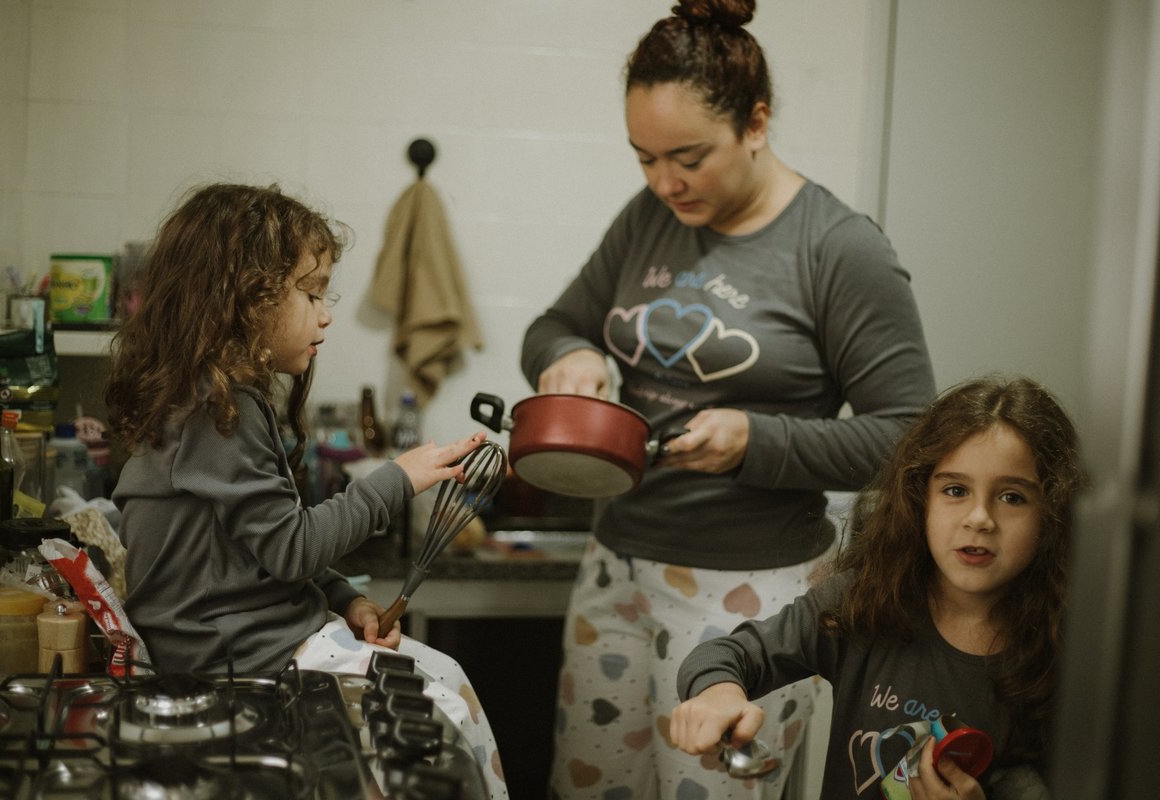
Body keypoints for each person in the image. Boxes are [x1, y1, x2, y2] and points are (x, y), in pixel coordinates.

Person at [519, 1, 935, 796]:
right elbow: (556, 324)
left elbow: (912, 436)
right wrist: (568, 355)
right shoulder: (651, 216)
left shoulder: (837, 248)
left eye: (688, 157)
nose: (664, 182)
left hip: (750, 599)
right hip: (616, 566)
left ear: (756, 124)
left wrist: (757, 441)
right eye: (644, 158)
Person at [104, 182, 507, 798]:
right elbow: (291, 548)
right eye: (311, 293)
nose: (326, 314)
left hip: (252, 646)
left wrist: (346, 598)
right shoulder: (219, 409)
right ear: (244, 300)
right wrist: (398, 478)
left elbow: (256, 550)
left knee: (444, 681)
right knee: (441, 705)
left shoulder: (209, 398)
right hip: (240, 665)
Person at [671, 376, 1083, 799]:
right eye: (955, 490)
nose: (979, 518)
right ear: (920, 500)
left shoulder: (1070, 657)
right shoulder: (863, 600)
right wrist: (716, 692)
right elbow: (726, 655)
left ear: (1052, 513)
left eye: (1012, 497)